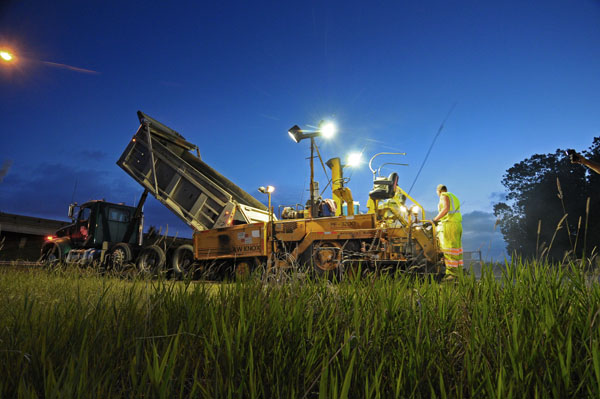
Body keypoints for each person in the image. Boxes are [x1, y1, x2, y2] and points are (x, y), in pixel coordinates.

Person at [432, 184, 463, 280]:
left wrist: (435, 220)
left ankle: (451, 274)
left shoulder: (443, 195)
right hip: (456, 224)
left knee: (448, 249)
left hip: (448, 225)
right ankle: (458, 273)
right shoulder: (454, 197)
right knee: (456, 250)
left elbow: (445, 209)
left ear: (439, 191)